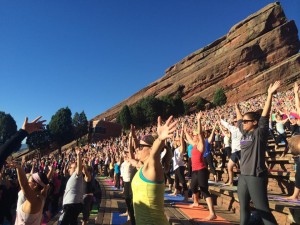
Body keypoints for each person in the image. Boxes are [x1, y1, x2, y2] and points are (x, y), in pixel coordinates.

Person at [235, 81, 280, 225]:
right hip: (243, 175)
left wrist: (269, 95)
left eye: (247, 122)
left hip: (256, 175)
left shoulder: (259, 133)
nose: (243, 123)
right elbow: (239, 120)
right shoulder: (244, 132)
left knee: (262, 210)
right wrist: (236, 107)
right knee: (243, 207)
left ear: (254, 122)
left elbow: (264, 116)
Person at [131, 116, 177, 225]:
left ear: (151, 149)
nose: (137, 149)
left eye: (141, 146)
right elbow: (134, 160)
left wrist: (160, 139)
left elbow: (154, 154)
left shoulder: (152, 168)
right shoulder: (142, 168)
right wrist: (133, 138)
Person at [184, 112, 217, 221]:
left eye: (195, 135)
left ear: (198, 137)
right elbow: (188, 138)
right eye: (193, 135)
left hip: (202, 170)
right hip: (194, 171)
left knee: (204, 190)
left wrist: (198, 120)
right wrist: (184, 131)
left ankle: (212, 213)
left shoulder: (200, 145)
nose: (193, 136)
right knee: (193, 187)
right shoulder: (193, 145)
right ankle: (196, 202)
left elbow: (201, 133)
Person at [58, 147, 83, 225]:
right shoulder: (71, 177)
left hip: (71, 204)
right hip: (71, 203)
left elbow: (79, 167)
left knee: (63, 223)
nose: (70, 169)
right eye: (71, 168)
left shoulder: (77, 175)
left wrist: (78, 155)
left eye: (72, 168)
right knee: (72, 222)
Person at [219, 112, 242, 186]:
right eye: (234, 121)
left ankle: (245, 182)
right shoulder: (233, 128)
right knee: (229, 166)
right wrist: (221, 119)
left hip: (242, 151)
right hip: (234, 152)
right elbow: (227, 125)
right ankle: (231, 181)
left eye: (237, 121)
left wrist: (242, 144)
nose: (236, 123)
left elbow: (249, 139)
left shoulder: (243, 129)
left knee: (243, 169)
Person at [169, 124, 188, 201]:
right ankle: (176, 191)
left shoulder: (181, 148)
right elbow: (175, 139)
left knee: (182, 180)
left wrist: (182, 130)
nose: (175, 141)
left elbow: (181, 139)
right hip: (176, 166)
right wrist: (176, 131)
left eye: (177, 140)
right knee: (176, 180)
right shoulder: (177, 148)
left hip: (180, 166)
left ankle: (186, 195)